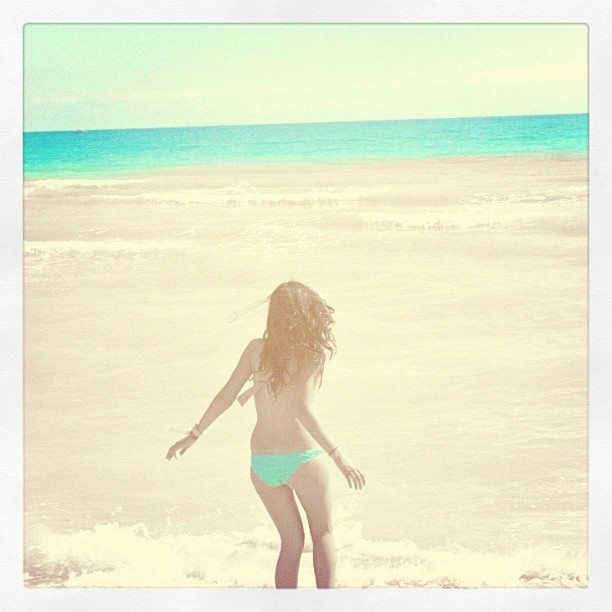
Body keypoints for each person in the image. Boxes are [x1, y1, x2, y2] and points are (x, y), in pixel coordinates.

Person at [166, 280, 365, 588]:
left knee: (291, 542)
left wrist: (194, 434)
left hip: (262, 465)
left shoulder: (255, 350)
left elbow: (226, 395)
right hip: (303, 460)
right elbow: (302, 409)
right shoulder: (310, 355)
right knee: (323, 534)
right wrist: (340, 458)